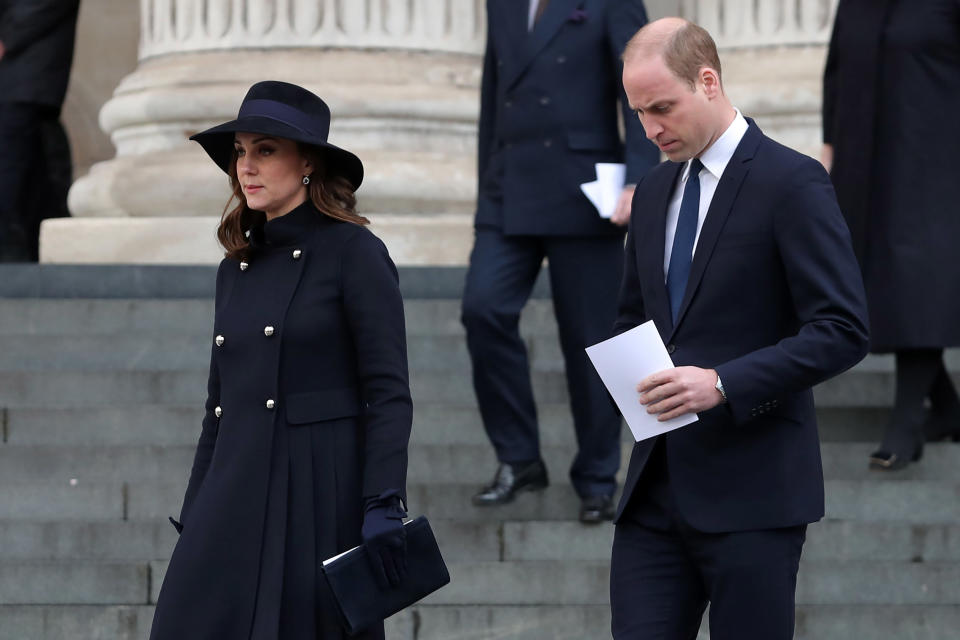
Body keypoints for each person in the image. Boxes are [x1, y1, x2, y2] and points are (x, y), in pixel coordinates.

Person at [610, 19, 869, 639]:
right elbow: (632, 317)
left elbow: (842, 327)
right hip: (654, 492)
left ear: (709, 81)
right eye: (638, 112)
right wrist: (629, 382)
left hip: (756, 494)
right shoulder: (650, 192)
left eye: (662, 108)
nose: (650, 129)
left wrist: (723, 384)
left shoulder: (792, 180)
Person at [149, 81, 413, 640]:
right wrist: (196, 507)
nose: (247, 166)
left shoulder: (356, 252)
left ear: (308, 162)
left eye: (266, 150)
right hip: (236, 481)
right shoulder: (236, 266)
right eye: (241, 151)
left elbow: (387, 391)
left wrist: (383, 500)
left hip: (320, 487)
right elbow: (217, 406)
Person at [463, 0, 659, 523]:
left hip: (587, 190)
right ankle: (519, 457)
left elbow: (638, 84)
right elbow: (493, 91)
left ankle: (598, 476)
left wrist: (641, 179)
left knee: (594, 338)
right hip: (510, 188)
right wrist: (487, 185)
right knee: (483, 309)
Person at [822, 0, 960, 471]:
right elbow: (835, 73)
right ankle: (946, 406)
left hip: (936, 162)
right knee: (871, 286)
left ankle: (906, 424)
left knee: (916, 283)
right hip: (861, 163)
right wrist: (829, 149)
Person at [0, 0, 79, 261]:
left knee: (12, 174)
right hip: (21, 84)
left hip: (25, 80)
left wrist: (6, 36)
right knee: (36, 178)